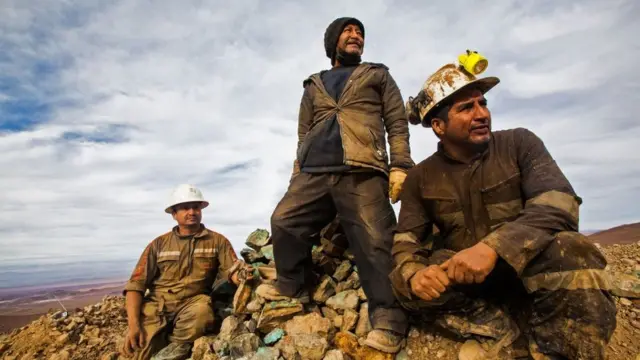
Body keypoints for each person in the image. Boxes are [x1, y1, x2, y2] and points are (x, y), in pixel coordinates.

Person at [390, 57, 617, 359]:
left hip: (527, 267)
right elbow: (407, 238)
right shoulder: (420, 177)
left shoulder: (519, 143)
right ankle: (498, 327)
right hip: (467, 281)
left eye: (482, 103)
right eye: (466, 108)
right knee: (404, 286)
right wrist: (413, 273)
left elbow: (558, 204)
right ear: (438, 126)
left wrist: (493, 248)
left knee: (574, 250)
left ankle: (559, 349)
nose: (482, 114)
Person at [257, 17, 414, 353]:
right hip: (313, 172)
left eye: (360, 33)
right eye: (349, 32)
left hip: (362, 169)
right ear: (333, 42)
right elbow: (303, 135)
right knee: (284, 221)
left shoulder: (377, 75)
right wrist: (296, 177)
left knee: (375, 239)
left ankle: (389, 317)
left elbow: (397, 124)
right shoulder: (313, 85)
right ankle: (294, 286)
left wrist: (400, 164)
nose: (356, 36)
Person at [122, 184, 251, 360]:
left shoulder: (218, 241)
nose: (192, 212)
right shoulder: (158, 244)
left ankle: (175, 349)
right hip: (157, 307)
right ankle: (158, 342)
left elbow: (232, 269)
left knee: (201, 315)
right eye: (185, 208)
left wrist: (242, 276)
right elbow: (135, 286)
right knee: (138, 350)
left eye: (196, 207)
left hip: (193, 303)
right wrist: (134, 325)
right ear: (174, 214)